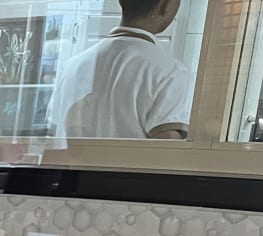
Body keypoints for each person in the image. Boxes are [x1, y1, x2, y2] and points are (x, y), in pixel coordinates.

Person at [47, 0, 192, 140]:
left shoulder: (72, 66)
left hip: (71, 158)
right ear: (166, 5)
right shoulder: (171, 72)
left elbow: (53, 136)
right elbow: (166, 144)